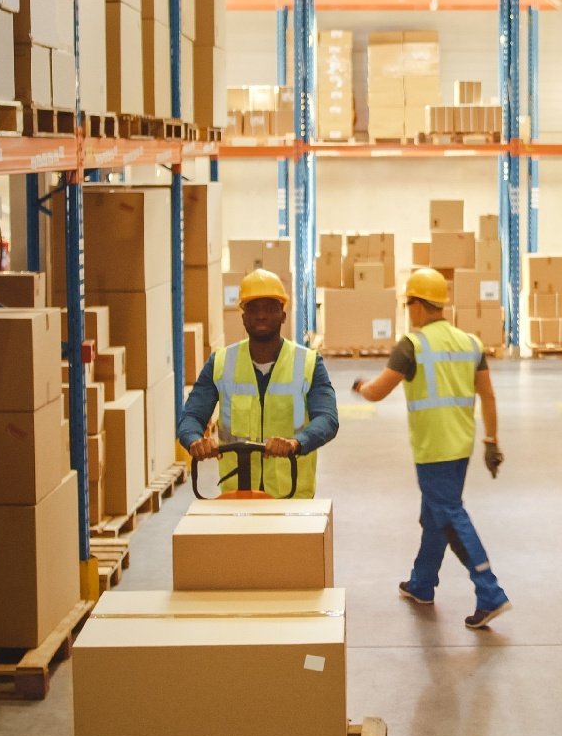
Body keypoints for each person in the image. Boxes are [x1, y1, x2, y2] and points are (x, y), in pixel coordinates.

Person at [351, 268, 510, 630]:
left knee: (451, 515)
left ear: (420, 305)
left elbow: (377, 391)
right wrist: (491, 440)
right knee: (434, 516)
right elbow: (488, 395)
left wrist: (359, 386)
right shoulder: (470, 342)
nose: (409, 311)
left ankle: (490, 592)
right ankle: (422, 584)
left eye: (409, 304)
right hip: (461, 445)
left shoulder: (413, 344)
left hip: (432, 449)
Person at [177, 269, 338, 497]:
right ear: (243, 317)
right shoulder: (221, 363)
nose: (261, 315)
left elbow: (328, 419)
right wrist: (195, 441)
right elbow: (191, 416)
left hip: (292, 497)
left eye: (270, 308)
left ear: (282, 315)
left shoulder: (309, 363)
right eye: (253, 308)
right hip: (238, 495)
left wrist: (296, 442)